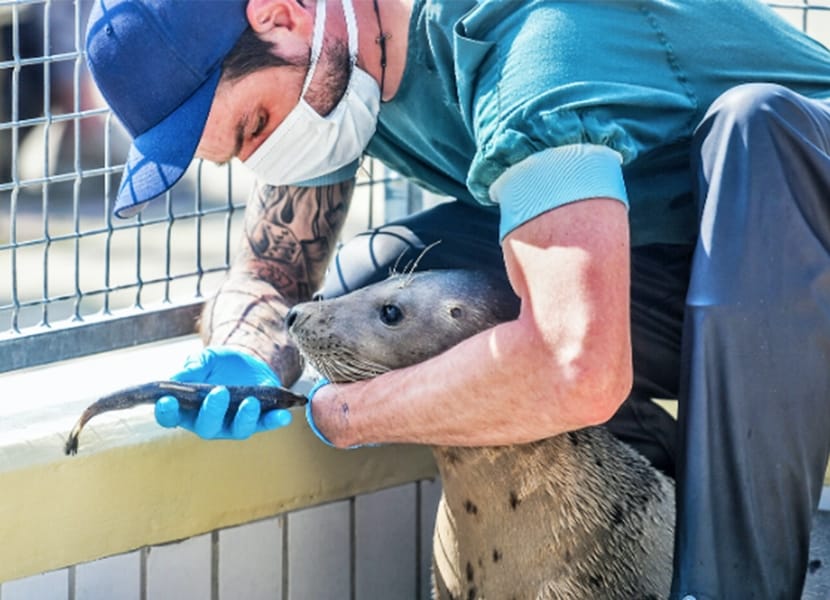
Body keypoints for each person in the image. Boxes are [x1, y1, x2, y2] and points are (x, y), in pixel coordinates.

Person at [84, 0, 830, 597]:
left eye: (255, 127)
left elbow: (579, 367)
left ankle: (730, 584)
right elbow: (277, 275)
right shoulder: (336, 62)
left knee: (755, 129)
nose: (264, 159)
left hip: (796, 237)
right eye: (240, 153)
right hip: (695, 268)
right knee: (384, 287)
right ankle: (649, 511)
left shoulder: (522, 45)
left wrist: (346, 415)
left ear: (281, 16)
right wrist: (249, 355)